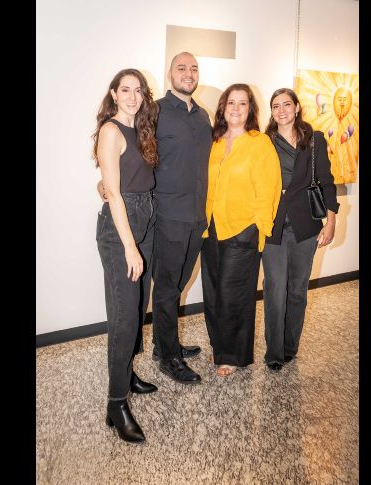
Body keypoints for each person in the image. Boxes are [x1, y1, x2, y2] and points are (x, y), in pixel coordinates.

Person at [98, 52, 212, 384]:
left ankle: (167, 343)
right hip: (166, 216)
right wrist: (106, 184)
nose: (188, 73)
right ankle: (168, 358)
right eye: (181, 68)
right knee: (164, 288)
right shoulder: (156, 111)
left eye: (193, 69)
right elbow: (131, 150)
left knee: (177, 284)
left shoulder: (203, 116)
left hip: (196, 217)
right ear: (170, 74)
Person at [93, 68, 159, 443]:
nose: (132, 96)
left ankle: (127, 373)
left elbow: (115, 180)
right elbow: (114, 194)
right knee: (123, 318)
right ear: (114, 94)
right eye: (126, 90)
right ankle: (115, 404)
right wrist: (130, 245)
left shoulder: (142, 129)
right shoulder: (111, 130)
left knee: (136, 309)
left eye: (138, 90)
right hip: (121, 230)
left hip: (145, 218)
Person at [201, 83, 281, 377]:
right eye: (231, 102)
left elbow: (269, 188)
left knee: (234, 293)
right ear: (222, 107)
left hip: (243, 227)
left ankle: (232, 356)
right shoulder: (214, 141)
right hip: (211, 227)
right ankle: (219, 344)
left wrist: (260, 228)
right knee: (212, 291)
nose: (236, 108)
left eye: (242, 103)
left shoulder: (259, 143)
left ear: (250, 109)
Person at [261, 88, 340, 371]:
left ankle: (290, 346)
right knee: (274, 289)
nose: (281, 110)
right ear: (271, 112)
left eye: (286, 104)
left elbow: (327, 181)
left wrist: (331, 220)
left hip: (306, 226)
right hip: (273, 226)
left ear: (296, 107)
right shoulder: (264, 142)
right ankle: (274, 351)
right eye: (275, 106)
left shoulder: (314, 140)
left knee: (297, 290)